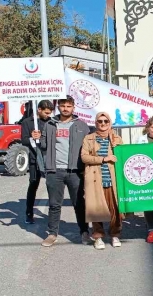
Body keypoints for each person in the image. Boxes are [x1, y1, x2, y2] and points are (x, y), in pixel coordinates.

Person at [38, 95, 90, 247]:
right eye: (63, 106)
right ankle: (52, 233)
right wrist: (37, 138)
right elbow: (43, 146)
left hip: (75, 172)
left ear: (73, 107)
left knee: (79, 203)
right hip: (55, 171)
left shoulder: (82, 125)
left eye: (69, 106)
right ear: (58, 107)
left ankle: (84, 232)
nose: (66, 108)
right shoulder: (50, 125)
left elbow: (90, 146)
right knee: (54, 204)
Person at [81, 112, 123, 250]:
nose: (103, 124)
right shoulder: (89, 138)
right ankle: (98, 237)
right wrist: (103, 159)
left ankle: (115, 234)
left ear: (110, 122)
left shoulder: (116, 138)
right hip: (95, 179)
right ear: (96, 123)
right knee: (96, 208)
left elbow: (123, 157)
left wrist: (117, 147)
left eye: (106, 121)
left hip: (112, 179)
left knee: (115, 209)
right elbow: (84, 157)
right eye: (100, 121)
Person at [21, 100, 52, 223]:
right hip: (35, 159)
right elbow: (23, 140)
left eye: (50, 113)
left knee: (52, 186)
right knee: (33, 185)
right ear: (39, 109)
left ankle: (52, 213)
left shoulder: (51, 122)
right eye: (46, 112)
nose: (48, 115)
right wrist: (31, 138)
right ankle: (29, 213)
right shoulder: (27, 122)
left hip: (49, 158)